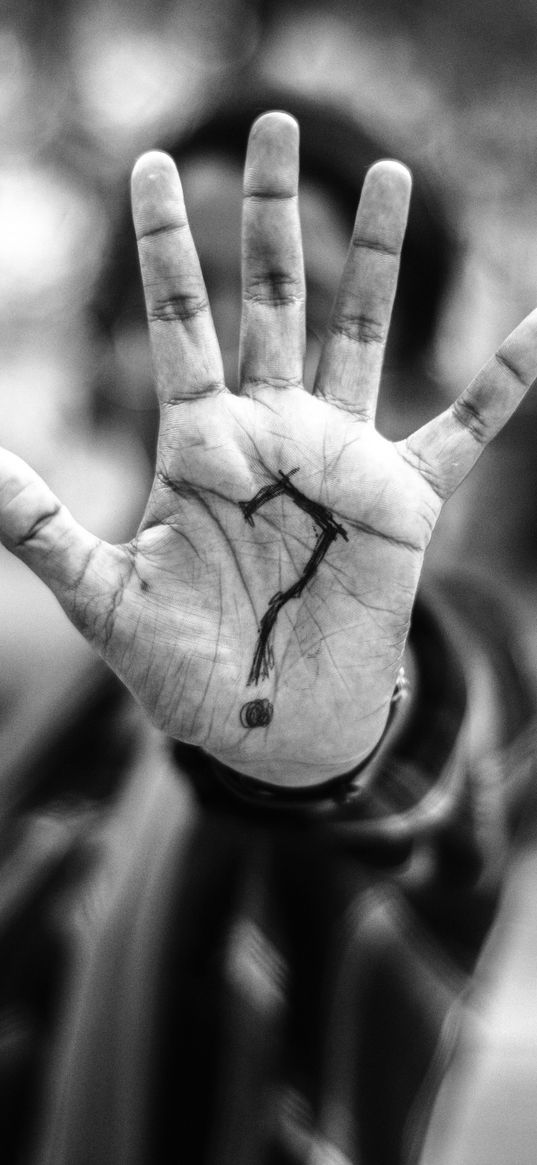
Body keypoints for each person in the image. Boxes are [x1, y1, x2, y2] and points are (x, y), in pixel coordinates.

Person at [1, 111, 537, 1164]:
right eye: (189, 294)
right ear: (116, 348)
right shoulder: (77, 703)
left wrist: (325, 744)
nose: (253, 357)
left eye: (305, 301)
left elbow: (439, 750)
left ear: (414, 379)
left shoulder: (456, 650)